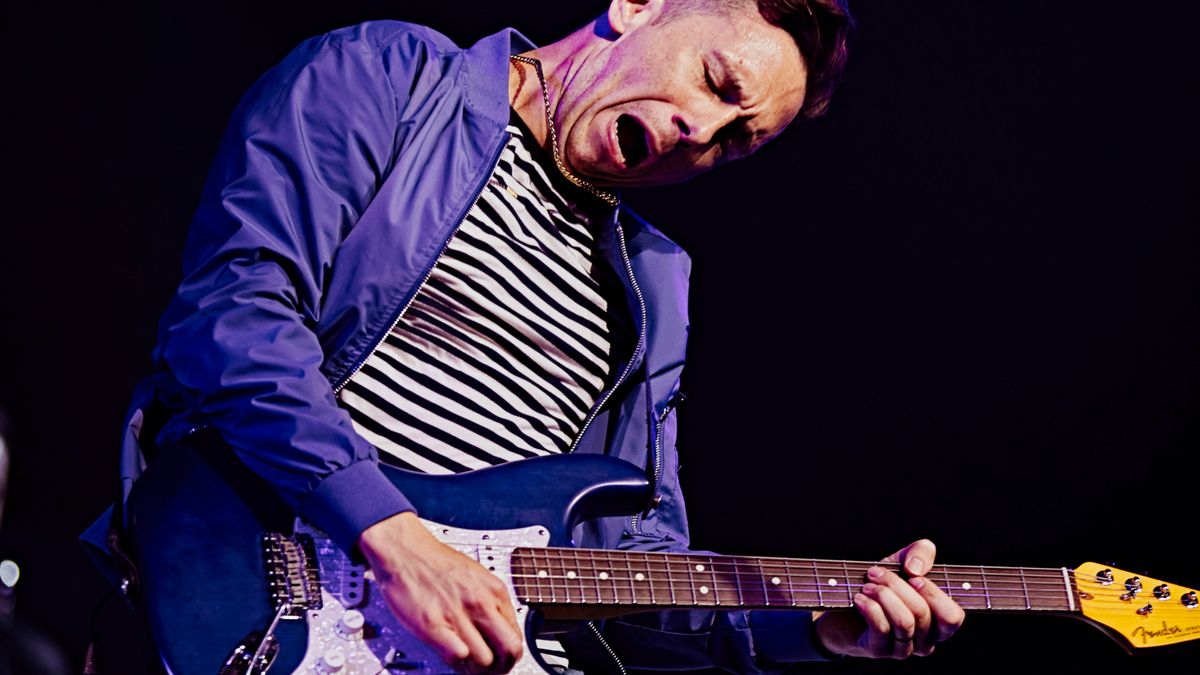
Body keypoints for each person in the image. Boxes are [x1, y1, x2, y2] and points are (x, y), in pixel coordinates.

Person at [85, 0, 965, 672]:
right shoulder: (389, 76)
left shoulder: (654, 286)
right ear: (636, 5)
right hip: (248, 589)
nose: (702, 131)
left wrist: (812, 620)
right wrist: (391, 536)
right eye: (715, 81)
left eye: (737, 143)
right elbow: (235, 317)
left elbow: (635, 568)